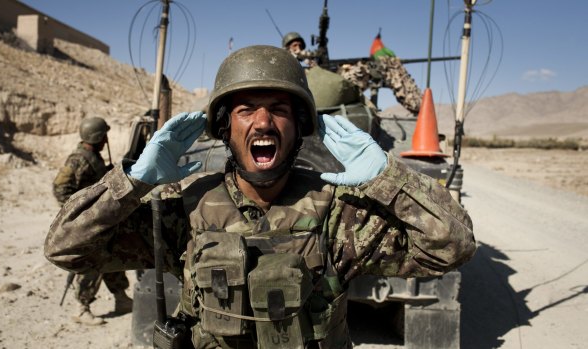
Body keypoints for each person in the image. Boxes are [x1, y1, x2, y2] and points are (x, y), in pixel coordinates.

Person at [45, 45, 475, 347]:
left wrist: (387, 177)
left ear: (300, 126)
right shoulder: (185, 210)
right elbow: (66, 249)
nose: (264, 122)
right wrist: (133, 182)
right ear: (224, 127)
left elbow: (452, 246)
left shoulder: (338, 216)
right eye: (246, 109)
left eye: (280, 109)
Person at [52, 116, 133, 326]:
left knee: (111, 256)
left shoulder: (93, 156)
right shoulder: (79, 158)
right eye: (103, 136)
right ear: (96, 137)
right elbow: (60, 187)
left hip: (99, 219)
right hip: (87, 223)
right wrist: (77, 211)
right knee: (92, 262)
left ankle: (121, 298)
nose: (106, 141)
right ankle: (82, 308)